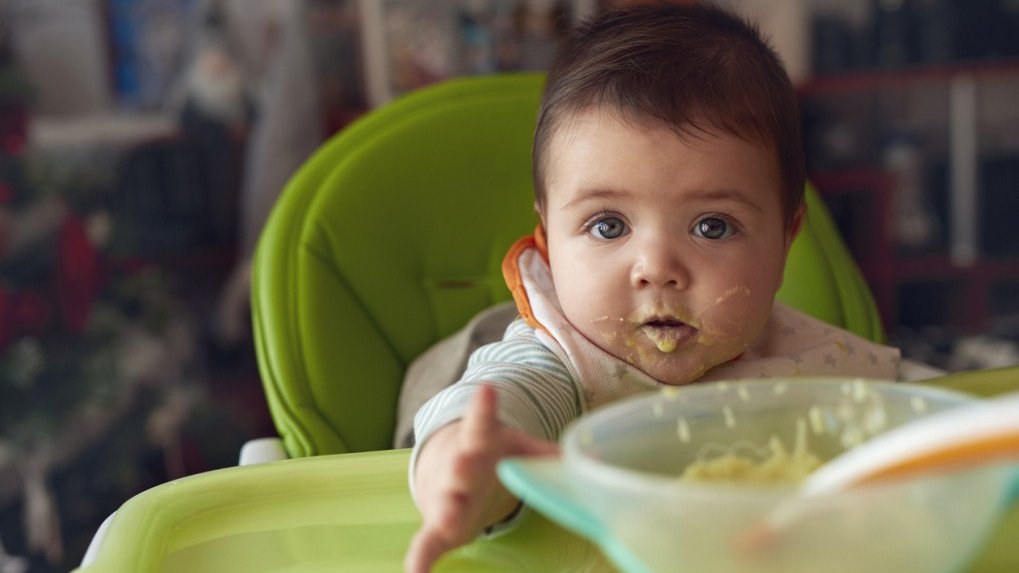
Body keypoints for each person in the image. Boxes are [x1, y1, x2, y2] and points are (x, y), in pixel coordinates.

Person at [403, 4, 900, 572]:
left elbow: (935, 421)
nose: (656, 269)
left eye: (712, 226)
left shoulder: (811, 360)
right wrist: (468, 471)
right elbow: (500, 401)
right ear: (547, 240)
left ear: (786, 241)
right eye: (608, 225)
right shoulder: (559, 362)